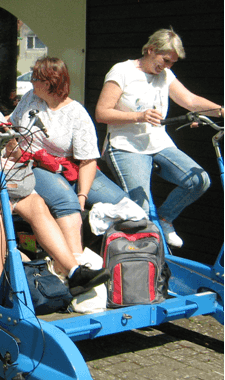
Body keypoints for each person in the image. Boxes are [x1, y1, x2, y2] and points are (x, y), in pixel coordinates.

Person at [0, 71, 110, 297]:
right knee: (0, 203)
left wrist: (11, 144)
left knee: (36, 202)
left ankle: (74, 272)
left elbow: (13, 151)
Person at [95, 29, 223, 247]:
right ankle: (141, 260)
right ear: (150, 49)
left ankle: (165, 218)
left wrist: (220, 110)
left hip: (157, 143)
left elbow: (190, 101)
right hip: (126, 145)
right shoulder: (122, 71)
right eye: (165, 60)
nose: (167, 66)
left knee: (199, 180)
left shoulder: (165, 75)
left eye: (172, 63)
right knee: (140, 212)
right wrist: (139, 116)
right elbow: (101, 113)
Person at [10, 57, 135, 256]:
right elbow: (12, 124)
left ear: (49, 83)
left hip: (70, 167)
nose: (31, 82)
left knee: (127, 207)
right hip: (33, 164)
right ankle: (75, 265)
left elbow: (88, 160)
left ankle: (118, 260)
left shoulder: (76, 113)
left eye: (35, 78)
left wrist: (83, 195)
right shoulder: (30, 98)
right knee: (66, 203)